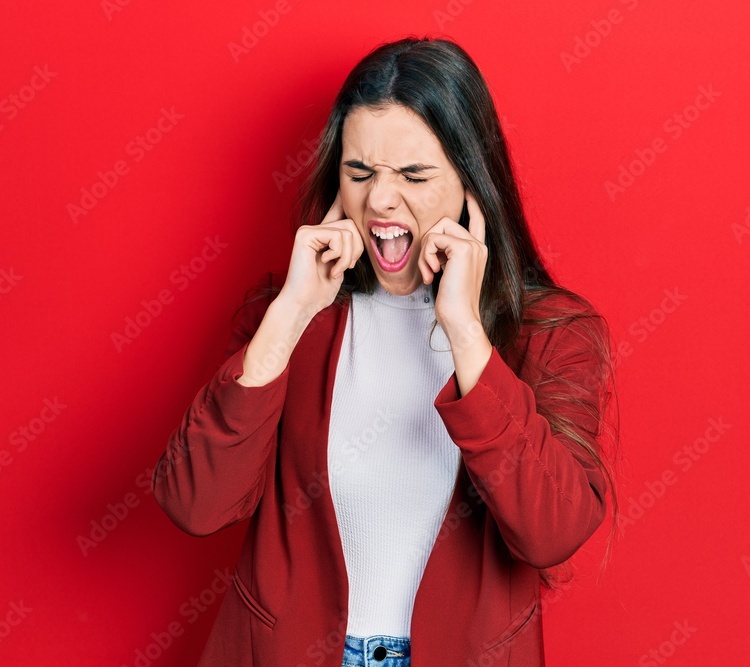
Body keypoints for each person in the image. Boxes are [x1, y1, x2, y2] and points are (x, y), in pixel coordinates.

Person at [152, 36, 619, 667]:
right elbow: (195, 503)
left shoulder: (553, 331)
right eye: (360, 172)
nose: (380, 201)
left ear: (471, 181)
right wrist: (289, 314)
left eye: (415, 174)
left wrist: (464, 331)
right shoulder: (289, 315)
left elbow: (552, 530)